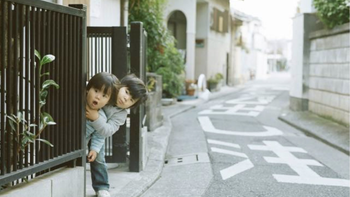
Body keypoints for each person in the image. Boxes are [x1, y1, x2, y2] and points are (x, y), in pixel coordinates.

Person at [86, 73, 148, 197]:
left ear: (132, 105)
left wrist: (96, 118)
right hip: (84, 128)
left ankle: (102, 186)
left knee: (99, 159)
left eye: (131, 100)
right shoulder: (106, 91)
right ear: (120, 85)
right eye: (126, 92)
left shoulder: (121, 115)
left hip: (99, 135)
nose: (125, 98)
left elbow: (107, 131)